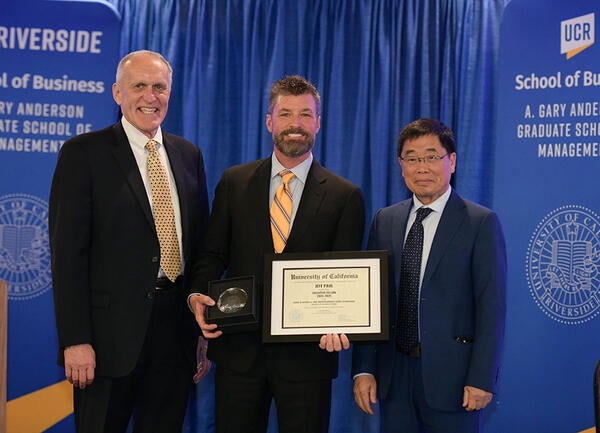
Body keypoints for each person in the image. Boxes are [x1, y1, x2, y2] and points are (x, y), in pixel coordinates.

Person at [189, 75, 365, 433]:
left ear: (318, 122)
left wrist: (342, 323)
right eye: (285, 114)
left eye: (305, 114)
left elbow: (345, 279)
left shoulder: (345, 196)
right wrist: (196, 295)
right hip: (239, 354)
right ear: (269, 121)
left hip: (308, 360)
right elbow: (211, 255)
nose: (295, 125)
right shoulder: (234, 183)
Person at [49, 50, 209, 433]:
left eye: (159, 87)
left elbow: (201, 246)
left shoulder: (189, 156)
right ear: (117, 93)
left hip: (175, 335)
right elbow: (67, 256)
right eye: (139, 86)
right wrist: (75, 340)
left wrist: (202, 332)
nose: (150, 97)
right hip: (106, 342)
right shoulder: (83, 153)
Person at [352, 118, 506, 433]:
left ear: (452, 162)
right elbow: (371, 302)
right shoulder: (385, 221)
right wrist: (363, 370)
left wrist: (481, 378)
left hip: (455, 380)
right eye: (412, 158)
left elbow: (492, 308)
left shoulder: (480, 223)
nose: (422, 167)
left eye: (432, 156)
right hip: (394, 377)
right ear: (401, 165)